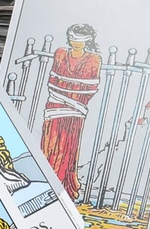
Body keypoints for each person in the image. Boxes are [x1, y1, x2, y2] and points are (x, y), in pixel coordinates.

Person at [39, 23, 102, 199]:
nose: (76, 43)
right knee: (49, 143)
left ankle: (62, 186)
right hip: (54, 106)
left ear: (88, 40)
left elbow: (91, 88)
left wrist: (69, 93)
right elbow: (52, 81)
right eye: (73, 38)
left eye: (80, 40)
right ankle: (46, 183)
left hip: (75, 111)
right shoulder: (60, 53)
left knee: (68, 147)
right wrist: (69, 90)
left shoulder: (94, 59)